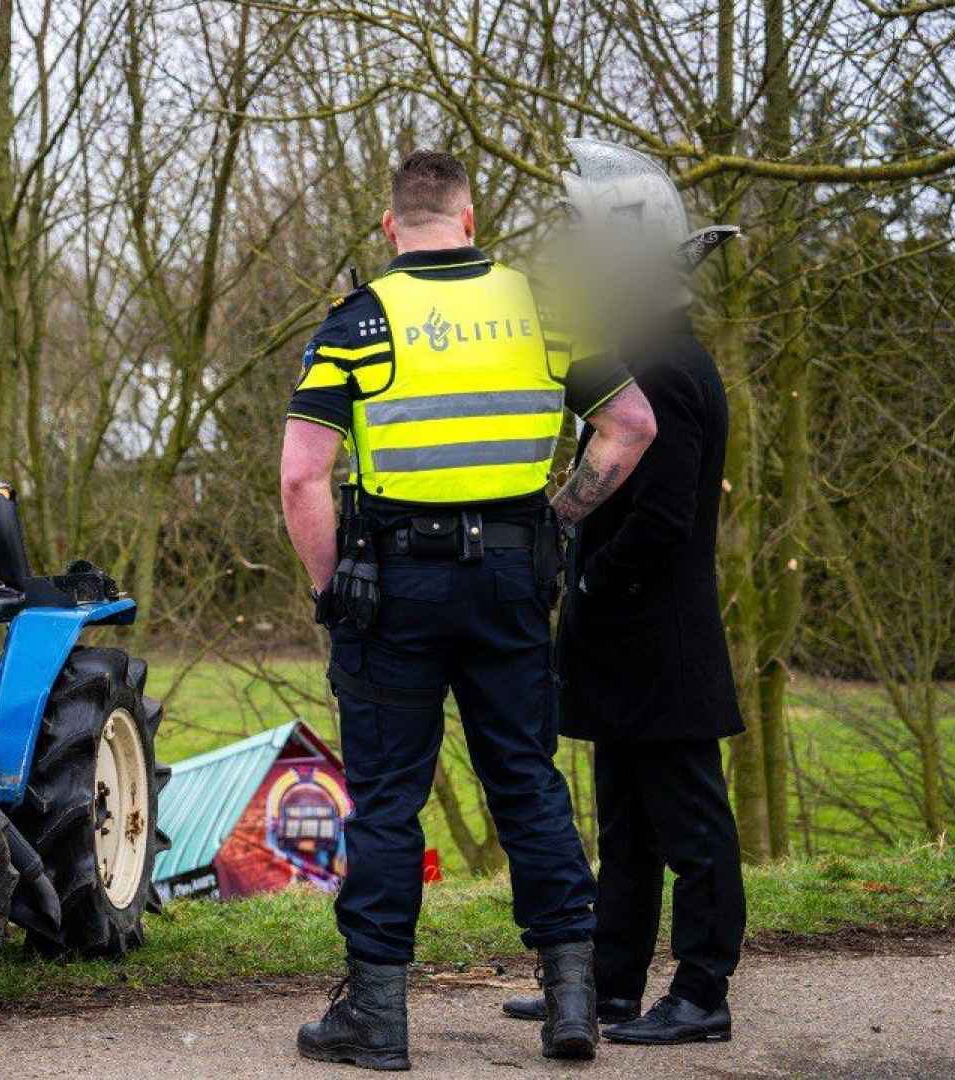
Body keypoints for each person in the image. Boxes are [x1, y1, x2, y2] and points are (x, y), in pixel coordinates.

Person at [280, 150, 657, 1069]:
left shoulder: (359, 322)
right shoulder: (546, 310)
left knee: (387, 803)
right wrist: (557, 522)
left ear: (389, 227)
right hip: (512, 583)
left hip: (392, 590)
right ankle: (572, 999)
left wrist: (333, 589)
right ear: (471, 219)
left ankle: (377, 1019)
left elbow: (302, 477)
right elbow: (632, 425)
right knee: (526, 780)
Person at [499, 138, 746, 1046]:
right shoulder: (646, 356)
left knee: (689, 824)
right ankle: (609, 984)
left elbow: (664, 517)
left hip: (659, 638)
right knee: (629, 825)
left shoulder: (669, 368)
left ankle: (703, 992)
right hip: (625, 639)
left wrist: (590, 574)